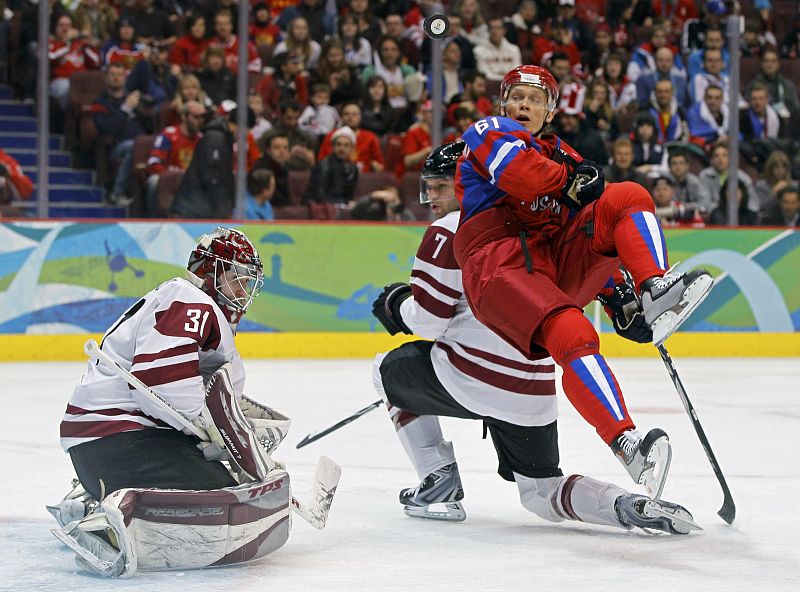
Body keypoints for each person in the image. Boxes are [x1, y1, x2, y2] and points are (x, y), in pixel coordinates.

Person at [371, 142, 697, 534]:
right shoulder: (532, 225)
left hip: (466, 379)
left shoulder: (446, 232)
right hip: (529, 396)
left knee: (385, 368)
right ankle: (623, 505)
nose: (433, 199)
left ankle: (437, 481)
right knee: (540, 493)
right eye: (430, 188)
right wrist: (617, 294)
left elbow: (427, 322)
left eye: (442, 187)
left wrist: (397, 303)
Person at [452, 65, 714, 497]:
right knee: (573, 331)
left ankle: (654, 290)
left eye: (535, 100)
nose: (524, 105)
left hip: (549, 261)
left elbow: (590, 229)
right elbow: (518, 173)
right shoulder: (488, 131)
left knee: (627, 196)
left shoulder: (564, 155)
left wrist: (618, 296)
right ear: (503, 104)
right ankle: (626, 440)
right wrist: (568, 181)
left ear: (550, 113)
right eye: (517, 97)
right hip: (497, 262)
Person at [51, 228, 294, 575]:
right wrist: (211, 429)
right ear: (209, 274)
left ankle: (91, 498)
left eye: (248, 282)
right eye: (236, 279)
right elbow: (160, 381)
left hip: (107, 446)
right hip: (120, 441)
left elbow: (193, 390)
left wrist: (220, 431)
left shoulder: (194, 307)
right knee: (224, 497)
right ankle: (107, 525)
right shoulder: (191, 301)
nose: (243, 291)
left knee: (226, 485)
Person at [169, 108, 241, 218]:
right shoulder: (215, 139)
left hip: (201, 208)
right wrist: (223, 208)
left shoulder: (224, 138)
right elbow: (213, 177)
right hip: (194, 211)